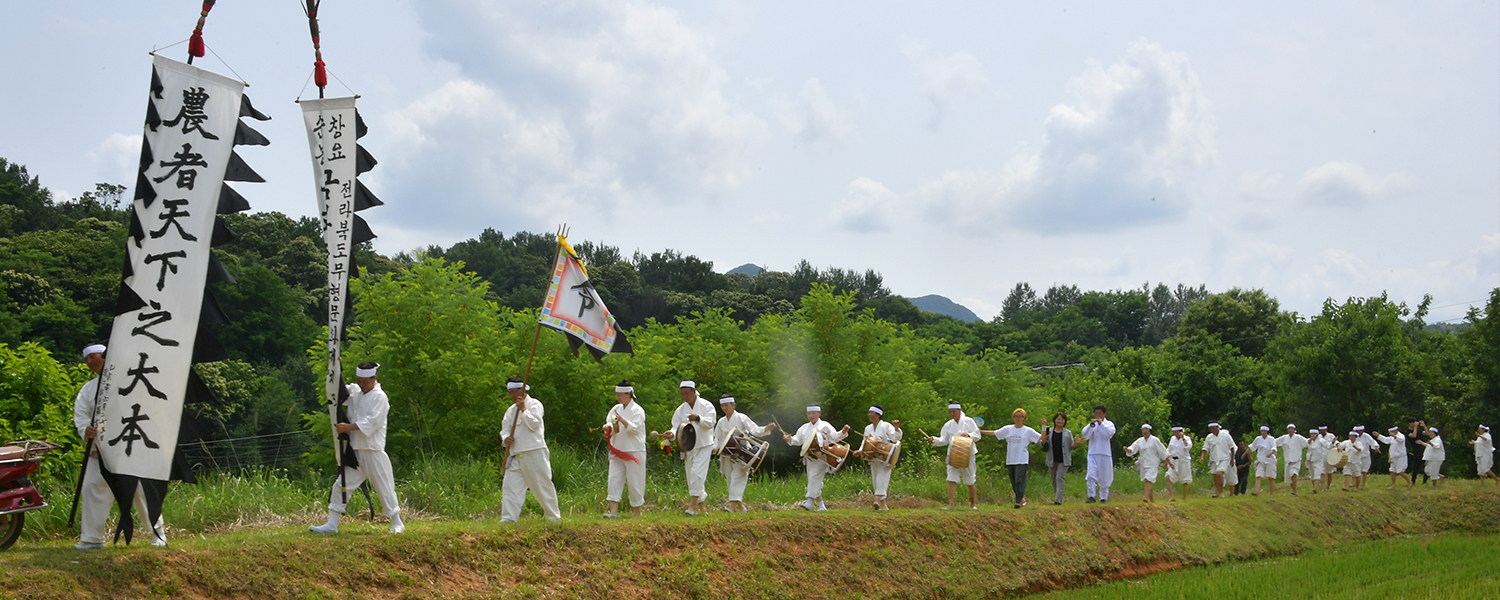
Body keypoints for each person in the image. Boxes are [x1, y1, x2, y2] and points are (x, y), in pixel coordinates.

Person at [72, 343, 167, 549]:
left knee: (139, 491)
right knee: (92, 488)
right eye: (87, 359)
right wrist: (85, 430)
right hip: (100, 452)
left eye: (94, 357)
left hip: (129, 449)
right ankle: (92, 539)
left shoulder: (131, 381)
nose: (90, 362)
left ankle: (157, 534)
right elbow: (81, 417)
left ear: (106, 357)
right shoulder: (88, 389)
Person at [311, 362, 404, 534]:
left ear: (373, 378)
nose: (361, 384)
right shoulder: (355, 391)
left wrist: (348, 427)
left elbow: (373, 422)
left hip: (372, 450)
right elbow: (337, 392)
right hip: (355, 451)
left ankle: (397, 522)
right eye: (358, 380)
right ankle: (332, 523)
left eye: (364, 381)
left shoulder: (380, 397)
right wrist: (335, 369)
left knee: (384, 487)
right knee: (341, 484)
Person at [498, 377, 561, 523]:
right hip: (515, 454)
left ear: (523, 389)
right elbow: (505, 429)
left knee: (542, 485)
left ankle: (553, 517)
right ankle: (508, 518)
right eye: (510, 392)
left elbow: (535, 425)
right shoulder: (510, 411)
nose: (512, 395)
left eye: (515, 391)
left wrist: (523, 410)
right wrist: (505, 439)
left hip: (534, 451)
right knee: (510, 486)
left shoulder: (535, 404)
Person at [713, 394, 776, 512]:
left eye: (726, 405)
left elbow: (755, 430)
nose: (724, 408)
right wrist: (714, 448)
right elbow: (717, 439)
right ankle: (741, 507)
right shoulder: (721, 422)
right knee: (730, 480)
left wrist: (766, 428)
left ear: (733, 405)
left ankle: (731, 507)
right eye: (722, 406)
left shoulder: (741, 417)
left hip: (743, 453)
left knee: (738, 477)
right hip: (727, 454)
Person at [663, 381, 716, 516]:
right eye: (682, 394)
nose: (685, 396)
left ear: (694, 391)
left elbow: (711, 423)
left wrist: (698, 418)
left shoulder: (706, 405)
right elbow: (676, 427)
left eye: (687, 393)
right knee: (691, 476)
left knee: (697, 474)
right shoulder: (680, 410)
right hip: (688, 446)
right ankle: (702, 506)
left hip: (704, 444)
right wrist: (671, 434)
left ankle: (692, 506)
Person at [783, 405, 848, 511]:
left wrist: (843, 432)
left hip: (823, 456)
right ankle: (822, 506)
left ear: (819, 413)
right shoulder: (804, 428)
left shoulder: (825, 425)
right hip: (810, 457)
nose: (811, 415)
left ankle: (809, 502)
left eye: (813, 413)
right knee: (814, 480)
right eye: (809, 413)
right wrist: (789, 439)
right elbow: (797, 440)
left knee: (814, 478)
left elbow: (835, 437)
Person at [603, 380, 647, 518]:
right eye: (617, 395)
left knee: (635, 481)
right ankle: (613, 511)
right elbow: (610, 422)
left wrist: (623, 420)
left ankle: (637, 511)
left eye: (621, 395)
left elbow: (635, 429)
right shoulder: (616, 408)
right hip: (617, 449)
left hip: (634, 450)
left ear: (629, 394)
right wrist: (607, 427)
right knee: (614, 478)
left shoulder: (638, 410)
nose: (618, 397)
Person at [983, 408, 1041, 508]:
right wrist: (979, 431)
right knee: (1013, 481)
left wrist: (1044, 428)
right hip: (1011, 459)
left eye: (1020, 416)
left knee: (1019, 480)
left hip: (1022, 459)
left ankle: (1017, 501)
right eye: (1016, 416)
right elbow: (995, 433)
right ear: (1013, 418)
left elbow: (1041, 438)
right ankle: (1021, 499)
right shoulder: (1008, 429)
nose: (1018, 418)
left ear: (1024, 418)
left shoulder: (1028, 431)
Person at [928, 403, 982, 510]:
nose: (952, 414)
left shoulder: (969, 421)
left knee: (970, 479)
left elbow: (978, 435)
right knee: (951, 479)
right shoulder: (948, 424)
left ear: (960, 410)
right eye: (950, 412)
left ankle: (973, 504)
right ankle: (951, 504)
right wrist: (934, 440)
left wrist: (968, 435)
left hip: (968, 453)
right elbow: (943, 440)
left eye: (954, 411)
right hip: (953, 454)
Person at [856, 405, 902, 510]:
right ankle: (884, 506)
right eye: (869, 412)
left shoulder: (886, 426)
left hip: (885, 457)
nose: (869, 415)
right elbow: (865, 442)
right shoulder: (868, 428)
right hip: (873, 457)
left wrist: (896, 428)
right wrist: (860, 451)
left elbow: (895, 438)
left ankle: (876, 501)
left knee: (882, 478)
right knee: (876, 480)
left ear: (878, 414)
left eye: (871, 412)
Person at [1075, 404, 1116, 503]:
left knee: (1105, 476)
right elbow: (1085, 434)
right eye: (1096, 413)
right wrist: (1090, 425)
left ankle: (1103, 497)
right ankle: (1091, 496)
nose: (1097, 415)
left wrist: (1101, 424)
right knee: (1091, 474)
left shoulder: (1109, 424)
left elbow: (1109, 434)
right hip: (1093, 453)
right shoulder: (1093, 424)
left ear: (1104, 414)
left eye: (1100, 413)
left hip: (1105, 453)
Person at [1124, 424, 1169, 503]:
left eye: (1146, 429)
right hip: (1143, 463)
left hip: (1153, 463)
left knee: (1148, 479)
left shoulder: (1155, 440)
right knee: (1146, 481)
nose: (1144, 431)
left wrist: (1167, 460)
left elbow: (1163, 451)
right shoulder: (1140, 441)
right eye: (1143, 430)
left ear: (1149, 431)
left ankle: (1146, 498)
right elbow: (1133, 448)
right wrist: (1128, 450)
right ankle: (1152, 499)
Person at [1038, 412, 1074, 505]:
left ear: (1065, 421)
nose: (1060, 421)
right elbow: (1042, 443)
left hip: (1064, 460)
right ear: (1054, 420)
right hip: (1052, 459)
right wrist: (1043, 427)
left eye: (1062, 419)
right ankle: (1058, 496)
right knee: (1054, 480)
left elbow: (1072, 446)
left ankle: (1058, 500)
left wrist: (1077, 443)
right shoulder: (1049, 431)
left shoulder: (1068, 433)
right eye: (1058, 419)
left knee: (1060, 477)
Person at [1199, 422, 1234, 499]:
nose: (1212, 430)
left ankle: (1221, 492)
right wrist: (1202, 458)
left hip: (1224, 458)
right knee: (1215, 476)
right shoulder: (1209, 437)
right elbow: (1205, 448)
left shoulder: (1225, 435)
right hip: (1214, 459)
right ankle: (1218, 491)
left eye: (1214, 428)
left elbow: (1232, 447)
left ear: (1217, 427)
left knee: (1219, 473)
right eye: (1211, 429)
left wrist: (1232, 459)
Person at [1276, 424, 1308, 495]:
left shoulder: (1299, 437)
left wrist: (1312, 439)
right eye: (1289, 428)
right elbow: (1275, 442)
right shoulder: (1284, 438)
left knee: (1294, 474)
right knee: (1289, 478)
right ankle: (1293, 488)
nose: (1290, 430)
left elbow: (1307, 442)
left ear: (1294, 430)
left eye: (1292, 428)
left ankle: (1294, 490)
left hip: (1296, 460)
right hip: (1288, 461)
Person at [1165, 426, 1193, 501]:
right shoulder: (1172, 439)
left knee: (1185, 480)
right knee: (1168, 477)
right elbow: (1169, 450)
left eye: (1176, 432)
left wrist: (1183, 438)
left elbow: (1188, 447)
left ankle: (1184, 498)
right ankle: (1171, 496)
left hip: (1184, 462)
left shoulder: (1187, 438)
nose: (1175, 434)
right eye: (1174, 432)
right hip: (1174, 461)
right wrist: (1167, 461)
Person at [1250, 426, 1279, 495]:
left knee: (1271, 477)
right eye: (1261, 431)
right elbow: (1252, 447)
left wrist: (1270, 453)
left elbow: (1274, 448)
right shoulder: (1258, 439)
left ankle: (1271, 494)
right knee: (1258, 476)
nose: (1263, 433)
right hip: (1261, 460)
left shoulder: (1271, 439)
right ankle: (1256, 492)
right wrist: (1245, 454)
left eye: (1264, 431)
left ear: (1266, 432)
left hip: (1270, 460)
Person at [1306, 428, 1330, 494]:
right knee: (1312, 475)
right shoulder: (1309, 441)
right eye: (1311, 434)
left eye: (1314, 434)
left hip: (1319, 460)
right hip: (1311, 460)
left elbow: (1328, 445)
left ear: (1316, 435)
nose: (1313, 435)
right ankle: (1315, 487)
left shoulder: (1320, 440)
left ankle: (1315, 488)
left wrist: (1333, 442)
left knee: (1318, 473)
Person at [1406, 419, 1430, 485]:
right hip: (1416, 449)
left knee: (1425, 465)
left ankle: (1425, 481)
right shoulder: (1407, 431)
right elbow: (1414, 435)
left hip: (1423, 448)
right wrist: (1415, 427)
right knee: (1416, 466)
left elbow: (1427, 433)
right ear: (1410, 423)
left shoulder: (1419, 431)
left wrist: (1424, 426)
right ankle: (1413, 481)